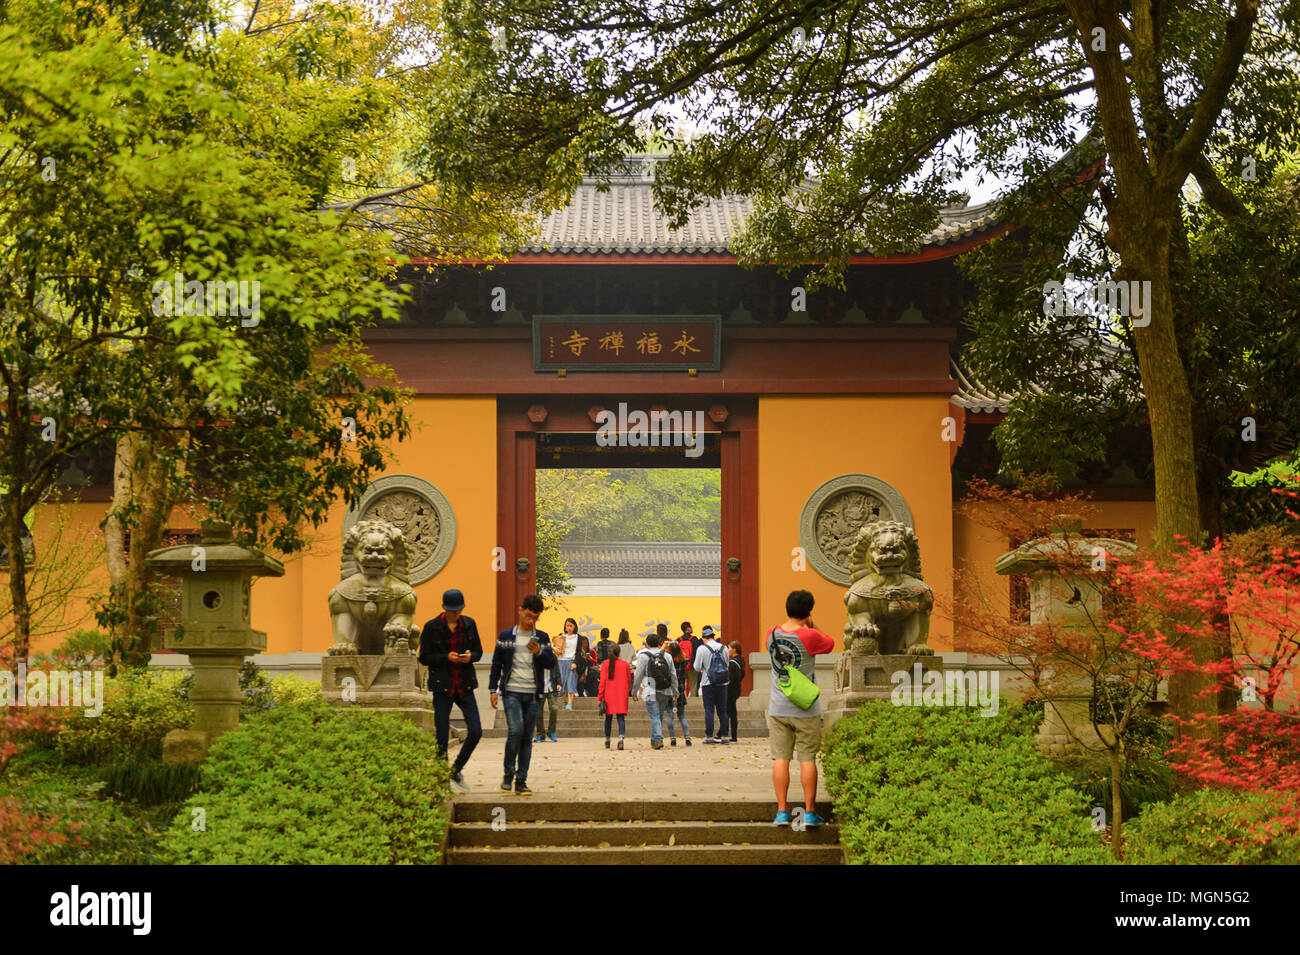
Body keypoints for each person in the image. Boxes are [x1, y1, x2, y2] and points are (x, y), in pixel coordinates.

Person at [766, 589, 835, 827]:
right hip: (805, 708)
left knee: (780, 758)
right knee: (807, 759)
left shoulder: (771, 634)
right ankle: (809, 812)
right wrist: (812, 626)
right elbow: (830, 645)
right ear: (808, 612)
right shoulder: (811, 636)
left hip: (778, 706)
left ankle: (783, 812)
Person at [416, 589, 483, 789]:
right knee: (442, 735)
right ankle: (440, 779)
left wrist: (471, 656)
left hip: (465, 684)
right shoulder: (432, 627)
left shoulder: (469, 624)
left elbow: (479, 651)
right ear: (444, 609)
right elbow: (423, 657)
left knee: (476, 731)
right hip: (442, 686)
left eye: (458, 610)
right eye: (452, 611)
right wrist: (446, 657)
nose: (456, 614)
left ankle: (455, 770)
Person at [488, 594, 555, 796]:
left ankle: (522, 780)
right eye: (528, 615)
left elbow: (551, 663)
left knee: (526, 736)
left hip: (534, 694)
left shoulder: (541, 638)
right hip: (511, 692)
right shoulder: (506, 636)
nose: (531, 621)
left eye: (535, 617)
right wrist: (493, 689)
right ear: (520, 610)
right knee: (515, 730)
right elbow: (496, 664)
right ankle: (508, 774)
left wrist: (538, 653)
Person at [632, 626, 678, 750]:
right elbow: (673, 674)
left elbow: (639, 674)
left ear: (647, 644)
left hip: (649, 687)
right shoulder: (667, 656)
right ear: (659, 643)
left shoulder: (643, 656)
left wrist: (634, 691)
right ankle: (654, 739)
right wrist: (675, 690)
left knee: (654, 715)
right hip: (665, 688)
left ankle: (658, 739)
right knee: (658, 715)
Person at [693, 625, 730, 743]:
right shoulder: (724, 648)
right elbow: (727, 665)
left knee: (709, 710)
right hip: (722, 683)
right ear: (713, 637)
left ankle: (709, 737)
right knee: (722, 710)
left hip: (707, 683)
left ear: (704, 638)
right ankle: (724, 736)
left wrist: (705, 669)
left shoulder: (702, 649)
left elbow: (697, 667)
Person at [598, 638, 632, 750]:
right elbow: (628, 681)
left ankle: (607, 740)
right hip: (621, 695)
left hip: (608, 695)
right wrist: (626, 694)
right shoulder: (625, 665)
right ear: (619, 653)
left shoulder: (605, 664)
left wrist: (600, 696)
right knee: (620, 718)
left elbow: (602, 682)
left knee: (608, 719)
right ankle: (621, 739)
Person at [665, 641, 692, 746]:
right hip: (680, 690)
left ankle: (672, 738)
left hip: (669, 690)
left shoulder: (668, 661)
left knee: (669, 715)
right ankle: (687, 737)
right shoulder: (684, 660)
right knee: (682, 716)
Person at [534, 645, 561, 744]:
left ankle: (551, 732)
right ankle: (540, 734)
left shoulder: (552, 657)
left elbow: (557, 671)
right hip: (539, 688)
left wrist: (559, 683)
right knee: (538, 712)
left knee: (554, 709)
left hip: (551, 687)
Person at [558, 617, 579, 709]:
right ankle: (564, 701)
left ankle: (570, 703)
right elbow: (557, 648)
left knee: (570, 681)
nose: (569, 628)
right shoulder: (561, 636)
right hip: (561, 661)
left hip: (571, 661)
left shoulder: (578, 637)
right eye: (567, 626)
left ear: (574, 626)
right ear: (565, 627)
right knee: (562, 682)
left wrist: (575, 662)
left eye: (571, 626)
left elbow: (579, 653)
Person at [726, 640, 745, 743]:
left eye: (729, 648)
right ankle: (732, 735)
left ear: (734, 650)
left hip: (730, 691)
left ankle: (727, 734)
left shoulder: (733, 663)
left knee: (730, 713)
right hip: (736, 690)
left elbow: (730, 678)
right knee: (732, 713)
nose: (727, 650)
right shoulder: (740, 661)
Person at [677, 622, 699, 697]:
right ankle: (693, 703)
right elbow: (697, 653)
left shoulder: (678, 640)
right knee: (693, 686)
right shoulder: (694, 639)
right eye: (691, 627)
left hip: (681, 666)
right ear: (688, 628)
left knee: (682, 685)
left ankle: (682, 701)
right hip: (692, 666)